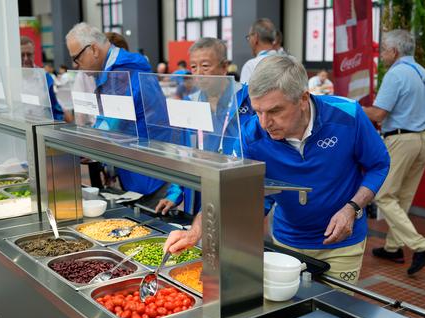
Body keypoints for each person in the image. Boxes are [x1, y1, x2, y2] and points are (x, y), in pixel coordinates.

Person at [164, 55, 390, 285]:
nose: (264, 123)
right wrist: (195, 232)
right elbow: (228, 190)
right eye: (258, 111)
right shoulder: (251, 136)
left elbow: (379, 165)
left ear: (303, 98)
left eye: (274, 111)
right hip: (287, 241)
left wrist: (352, 208)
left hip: (342, 244)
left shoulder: (348, 115)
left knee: (336, 317)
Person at [363, 29, 425, 275]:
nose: (382, 55)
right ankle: (393, 247)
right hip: (422, 141)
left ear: (394, 51)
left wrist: (350, 106)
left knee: (383, 194)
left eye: (384, 50)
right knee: (403, 197)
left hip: (401, 140)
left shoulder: (396, 74)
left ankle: (421, 245)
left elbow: (378, 114)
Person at [65, 22, 167, 197]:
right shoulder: (110, 71)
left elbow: (112, 123)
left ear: (94, 50)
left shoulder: (123, 71)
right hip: (135, 162)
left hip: (149, 168)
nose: (76, 65)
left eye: (77, 58)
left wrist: (84, 145)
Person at [155, 37, 255, 216]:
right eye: (193, 67)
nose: (199, 73)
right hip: (200, 191)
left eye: (206, 66)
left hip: (237, 189)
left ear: (224, 67)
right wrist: (174, 193)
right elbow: (183, 153)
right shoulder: (190, 103)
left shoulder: (248, 99)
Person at [20, 36, 66, 121]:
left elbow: (55, 107)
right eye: (22, 55)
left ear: (34, 54)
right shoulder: (11, 78)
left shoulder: (45, 77)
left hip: (41, 128)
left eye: (29, 54)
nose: (25, 58)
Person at [240, 18, 278, 84]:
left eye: (249, 37)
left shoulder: (251, 66)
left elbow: (244, 94)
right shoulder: (289, 62)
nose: (249, 41)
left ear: (255, 38)